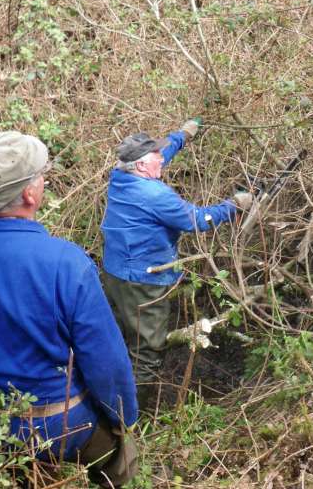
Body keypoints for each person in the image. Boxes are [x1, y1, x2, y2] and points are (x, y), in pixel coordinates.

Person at [0, 131, 138, 488]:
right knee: (121, 464)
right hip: (65, 424)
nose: (44, 181)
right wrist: (123, 419)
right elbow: (106, 362)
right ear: (29, 193)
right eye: (41, 176)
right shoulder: (66, 262)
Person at [100, 119, 252, 399]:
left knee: (121, 337)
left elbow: (160, 156)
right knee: (146, 351)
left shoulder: (121, 176)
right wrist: (233, 206)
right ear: (144, 166)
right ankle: (131, 415)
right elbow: (197, 220)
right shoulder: (155, 195)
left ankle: (110, 388)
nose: (162, 158)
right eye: (156, 156)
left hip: (114, 272)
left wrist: (182, 136)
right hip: (143, 283)